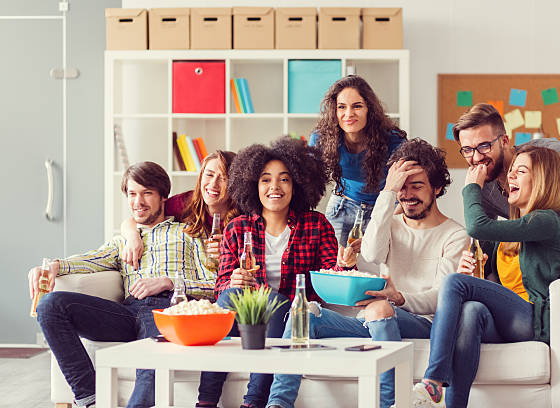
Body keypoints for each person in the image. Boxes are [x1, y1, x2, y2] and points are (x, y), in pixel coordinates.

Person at [265, 139, 469, 408]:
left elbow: (441, 299)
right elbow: (371, 254)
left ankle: (392, 404)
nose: (407, 194)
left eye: (417, 186)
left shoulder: (455, 235)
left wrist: (398, 298)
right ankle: (278, 404)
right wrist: (387, 192)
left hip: (423, 321)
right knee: (305, 311)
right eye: (401, 187)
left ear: (437, 188)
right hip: (376, 318)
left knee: (379, 308)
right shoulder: (391, 222)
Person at [452, 103, 560, 407]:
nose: (476, 157)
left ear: (505, 140)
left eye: (484, 145)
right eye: (467, 150)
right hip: (547, 242)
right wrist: (470, 260)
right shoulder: (484, 186)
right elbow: (482, 235)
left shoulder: (550, 155)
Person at [413, 146, 560, 408]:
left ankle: (433, 379)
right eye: (512, 170)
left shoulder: (547, 221)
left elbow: (477, 226)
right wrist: (471, 267)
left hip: (532, 320)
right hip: (507, 320)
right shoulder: (509, 230)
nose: (510, 176)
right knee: (471, 310)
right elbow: (482, 260)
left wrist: (472, 188)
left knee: (453, 283)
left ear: (542, 180)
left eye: (520, 171)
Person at [28, 161, 215, 408]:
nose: (138, 202)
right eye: (132, 194)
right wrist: (53, 266)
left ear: (163, 197)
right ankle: (90, 399)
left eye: (147, 193)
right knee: (50, 305)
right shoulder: (123, 241)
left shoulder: (188, 233)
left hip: (167, 311)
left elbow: (213, 284)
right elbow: (90, 259)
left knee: (150, 365)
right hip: (127, 313)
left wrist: (168, 282)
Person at [195, 137, 355, 408]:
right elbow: (221, 287)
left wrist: (347, 264)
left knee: (273, 301)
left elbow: (333, 276)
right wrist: (232, 280)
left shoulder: (315, 225)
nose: (274, 187)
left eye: (284, 179)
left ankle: (254, 402)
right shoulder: (237, 227)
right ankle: (206, 401)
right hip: (244, 318)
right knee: (229, 298)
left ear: (297, 185)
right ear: (253, 186)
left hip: (290, 315)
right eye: (265, 180)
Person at [311, 75, 407, 246]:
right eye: (341, 107)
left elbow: (406, 188)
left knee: (375, 267)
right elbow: (309, 183)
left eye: (357, 106)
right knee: (334, 266)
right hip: (342, 206)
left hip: (384, 210)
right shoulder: (321, 138)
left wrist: (386, 222)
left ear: (369, 109)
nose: (348, 114)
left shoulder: (393, 141)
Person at [121, 150, 240, 284]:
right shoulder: (184, 203)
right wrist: (133, 237)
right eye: (209, 175)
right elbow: (142, 214)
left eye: (223, 178)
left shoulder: (243, 216)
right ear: (200, 176)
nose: (213, 184)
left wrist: (229, 254)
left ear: (234, 184)